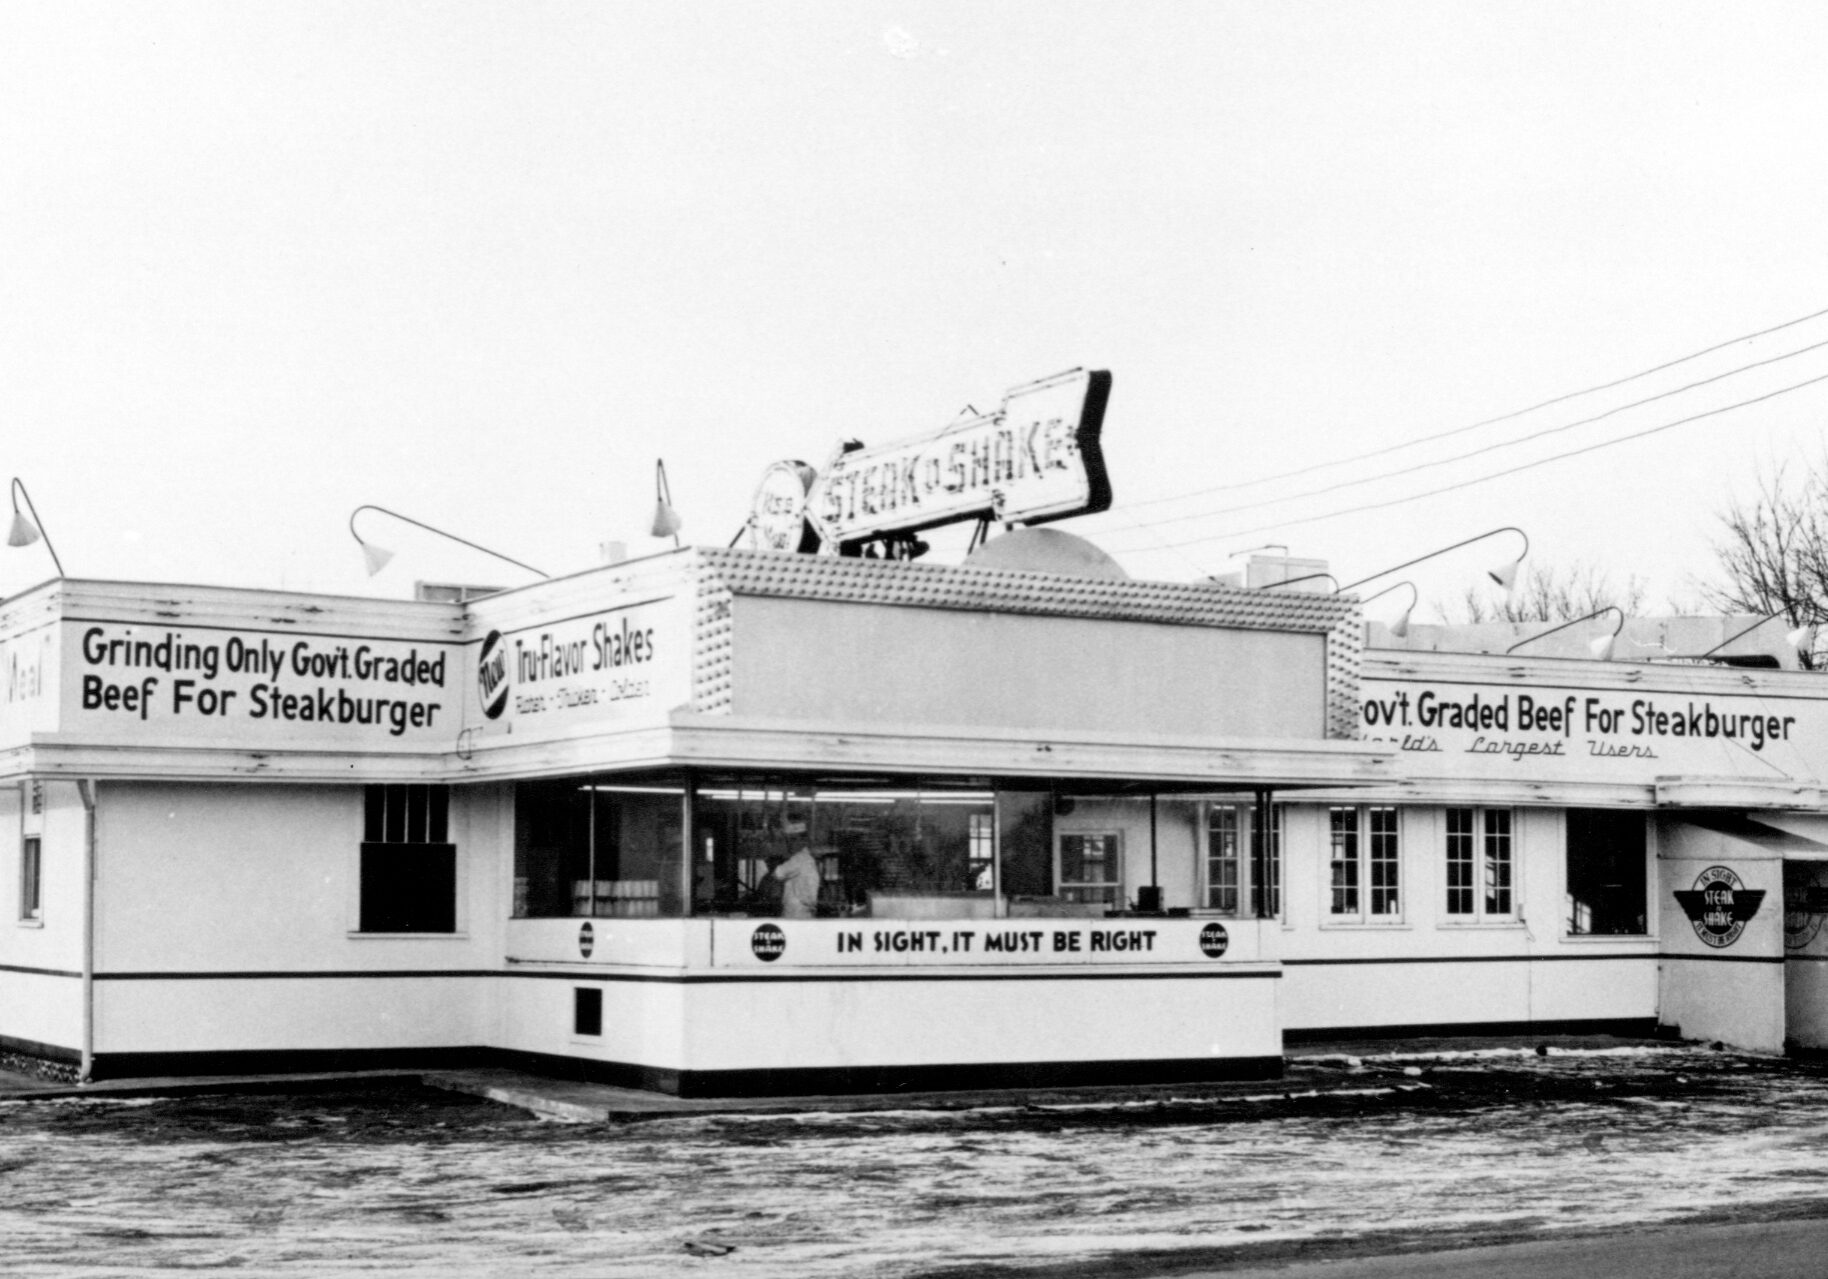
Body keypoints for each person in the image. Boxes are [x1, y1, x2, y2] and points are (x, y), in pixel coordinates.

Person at [772, 845, 822, 918]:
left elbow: (777, 873)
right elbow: (778, 873)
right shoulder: (800, 858)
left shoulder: (807, 859)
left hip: (804, 909)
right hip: (798, 910)